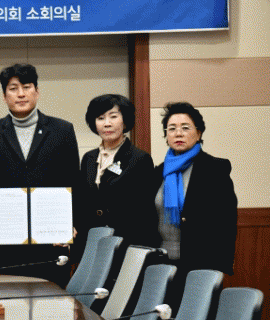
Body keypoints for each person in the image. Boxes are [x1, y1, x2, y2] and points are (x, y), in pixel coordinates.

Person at [0, 63, 80, 286]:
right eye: (13, 88)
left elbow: (74, 183)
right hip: (5, 244)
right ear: (4, 96)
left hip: (51, 242)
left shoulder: (62, 130)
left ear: (37, 91)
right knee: (4, 302)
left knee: (53, 303)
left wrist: (71, 224)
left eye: (26, 87)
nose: (21, 94)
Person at [154, 102, 237, 310]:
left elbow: (227, 222)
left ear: (198, 133)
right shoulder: (158, 172)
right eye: (172, 128)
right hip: (161, 264)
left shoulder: (215, 169)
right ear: (166, 135)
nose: (178, 133)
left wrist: (218, 268)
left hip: (201, 263)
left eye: (185, 127)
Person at [74, 94, 157, 256]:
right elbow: (82, 202)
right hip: (92, 244)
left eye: (113, 117)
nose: (107, 123)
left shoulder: (139, 159)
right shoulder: (89, 158)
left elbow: (145, 213)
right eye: (100, 118)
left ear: (124, 121)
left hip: (126, 244)